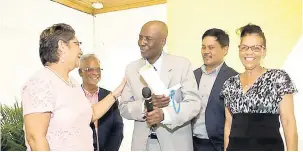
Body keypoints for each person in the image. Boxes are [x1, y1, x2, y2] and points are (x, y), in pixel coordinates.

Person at [21, 23, 126, 151]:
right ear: (62, 46)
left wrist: (117, 92)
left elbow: (90, 114)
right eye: (77, 44)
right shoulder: (40, 82)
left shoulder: (72, 83)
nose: (81, 51)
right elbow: (35, 138)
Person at [119, 20, 202, 151]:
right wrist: (146, 105)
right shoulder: (131, 69)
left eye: (148, 38)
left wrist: (165, 115)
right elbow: (124, 108)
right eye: (140, 37)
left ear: (163, 41)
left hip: (175, 145)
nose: (142, 42)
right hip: (142, 145)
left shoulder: (182, 65)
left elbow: (193, 103)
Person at [221, 24, 298, 151]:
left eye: (255, 48)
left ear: (264, 51)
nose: (249, 52)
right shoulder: (230, 84)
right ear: (239, 50)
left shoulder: (278, 78)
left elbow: (288, 121)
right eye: (244, 47)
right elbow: (228, 126)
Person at [192, 28, 237, 151]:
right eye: (203, 47)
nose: (206, 51)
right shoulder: (191, 76)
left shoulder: (234, 78)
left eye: (211, 47)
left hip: (217, 145)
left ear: (225, 49)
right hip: (190, 143)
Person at [79, 54, 124, 151]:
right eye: (90, 69)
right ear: (80, 72)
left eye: (98, 69)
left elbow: (118, 128)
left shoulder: (109, 97)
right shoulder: (73, 97)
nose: (96, 73)